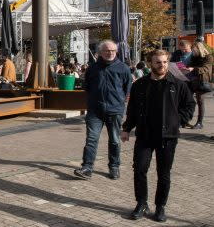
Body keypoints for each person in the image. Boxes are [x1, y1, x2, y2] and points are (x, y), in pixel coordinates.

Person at [121, 49, 195, 222]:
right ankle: (141, 203)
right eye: (158, 62)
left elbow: (189, 106)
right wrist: (126, 128)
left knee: (164, 173)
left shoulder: (178, 84)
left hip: (168, 137)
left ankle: (160, 206)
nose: (161, 65)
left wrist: (178, 121)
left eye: (164, 62)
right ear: (150, 64)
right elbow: (132, 109)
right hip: (145, 135)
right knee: (139, 169)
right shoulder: (140, 85)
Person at [74, 40, 132, 180]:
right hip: (95, 110)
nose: (110, 53)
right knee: (92, 139)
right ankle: (87, 167)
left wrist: (118, 101)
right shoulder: (93, 68)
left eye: (112, 50)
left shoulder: (123, 68)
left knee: (114, 140)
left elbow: (127, 88)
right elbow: (86, 86)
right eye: (107, 50)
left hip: (115, 110)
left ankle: (114, 166)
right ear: (100, 52)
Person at [186, 41, 213, 129]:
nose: (193, 52)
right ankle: (185, 119)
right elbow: (189, 66)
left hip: (202, 82)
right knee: (186, 99)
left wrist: (193, 69)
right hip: (191, 81)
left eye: (194, 50)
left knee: (200, 101)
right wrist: (185, 68)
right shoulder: (194, 57)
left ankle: (199, 122)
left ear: (199, 48)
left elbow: (205, 68)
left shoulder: (208, 57)